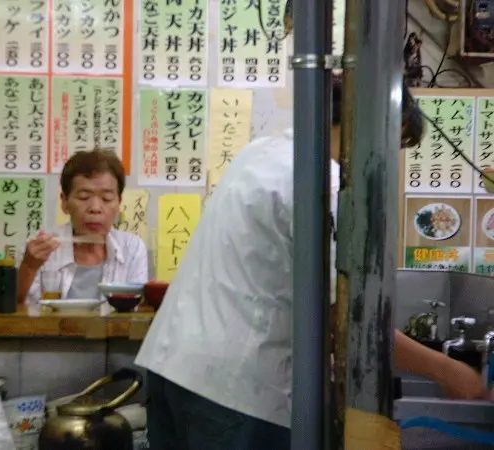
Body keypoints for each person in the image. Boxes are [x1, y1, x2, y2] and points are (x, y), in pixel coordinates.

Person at [134, 82, 488, 449]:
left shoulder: (263, 152)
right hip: (234, 389)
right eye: (393, 145)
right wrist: (448, 370)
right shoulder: (324, 183)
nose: (388, 161)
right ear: (371, 127)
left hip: (172, 366)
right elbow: (350, 322)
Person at [16, 149, 148, 304]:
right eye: (84, 197)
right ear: (64, 202)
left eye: (107, 198)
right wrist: (29, 267)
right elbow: (14, 313)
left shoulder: (131, 248)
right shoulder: (39, 248)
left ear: (119, 202)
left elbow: (136, 311)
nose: (95, 208)